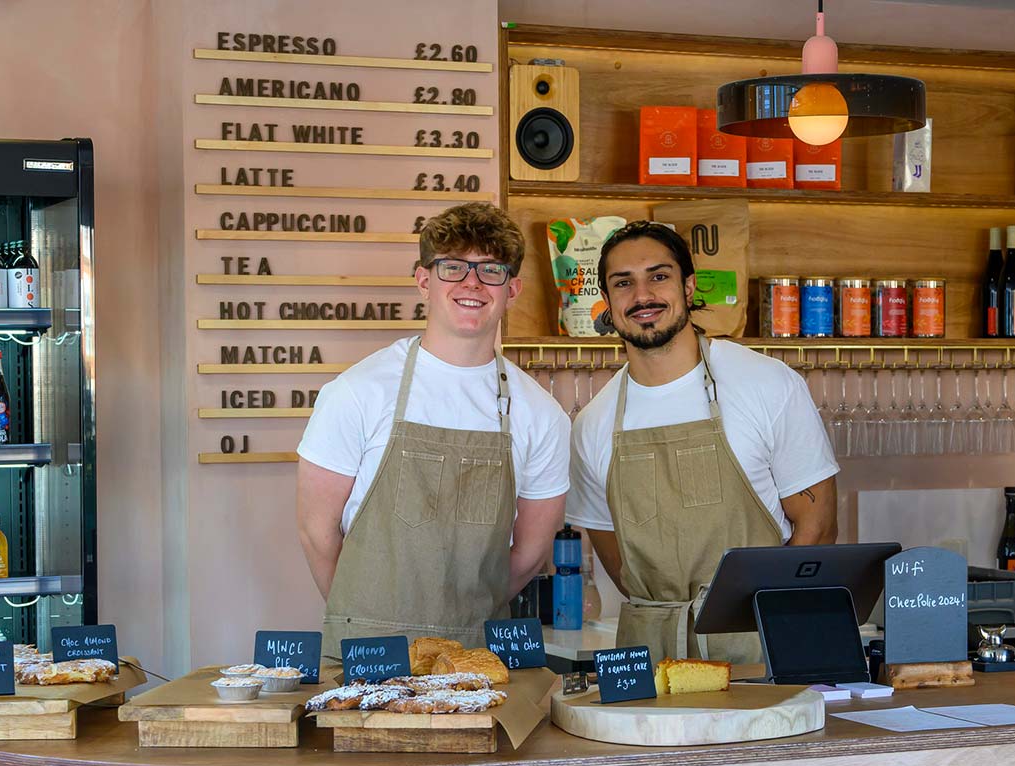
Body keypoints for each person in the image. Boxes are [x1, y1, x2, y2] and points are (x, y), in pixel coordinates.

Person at [297, 203, 570, 651]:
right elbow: (315, 530)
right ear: (425, 280)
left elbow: (530, 554)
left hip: (476, 653)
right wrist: (361, 616)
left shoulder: (540, 415)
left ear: (513, 288)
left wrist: (460, 621)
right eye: (453, 267)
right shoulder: (356, 392)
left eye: (490, 270)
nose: (472, 283)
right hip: (369, 648)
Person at [566, 221, 838, 665]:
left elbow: (819, 529)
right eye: (623, 283)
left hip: (759, 644)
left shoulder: (768, 385)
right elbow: (617, 560)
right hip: (652, 657)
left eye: (659, 276)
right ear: (608, 301)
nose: (642, 296)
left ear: (688, 287)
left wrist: (750, 616)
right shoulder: (592, 424)